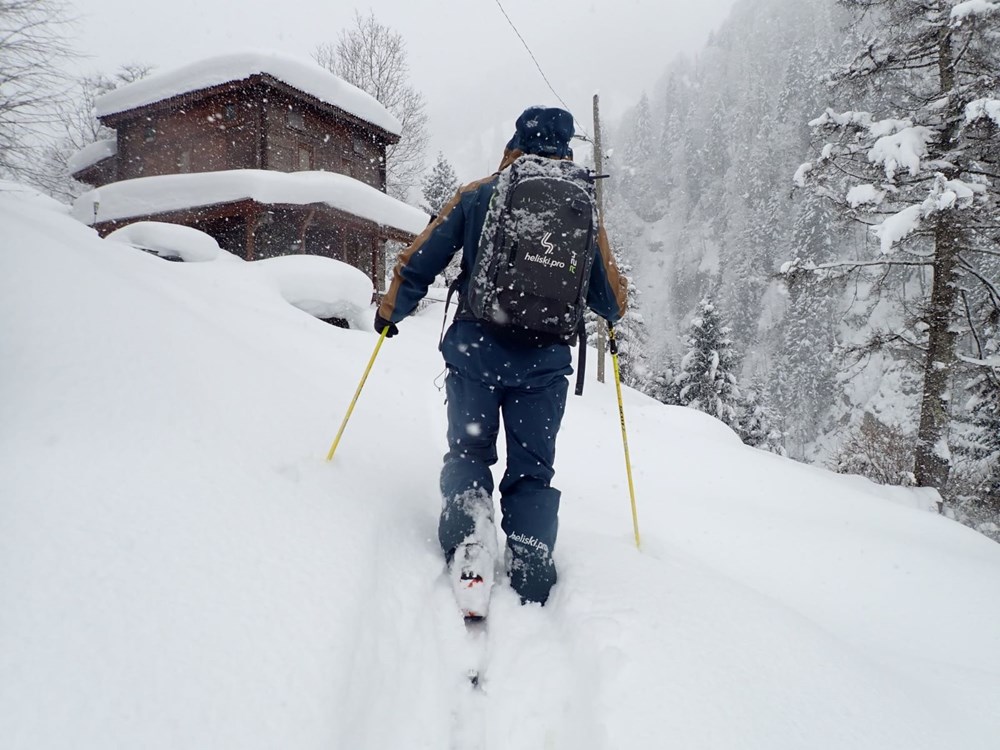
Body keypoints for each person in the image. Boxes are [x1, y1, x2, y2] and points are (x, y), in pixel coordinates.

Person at [374, 106, 628, 610]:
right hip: (545, 366)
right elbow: (609, 300)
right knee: (533, 469)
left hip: (476, 351)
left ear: (515, 141)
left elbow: (421, 256)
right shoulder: (581, 207)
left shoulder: (479, 193)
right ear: (566, 148)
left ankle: (470, 531)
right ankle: (531, 552)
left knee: (469, 452)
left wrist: (391, 310)